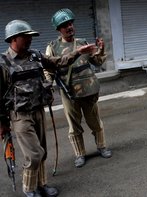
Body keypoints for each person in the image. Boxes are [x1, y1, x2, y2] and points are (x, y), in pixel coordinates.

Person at [0, 20, 96, 197]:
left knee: (42, 152)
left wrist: (78, 52)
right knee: (34, 154)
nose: (30, 40)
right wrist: (2, 124)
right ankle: (29, 189)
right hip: (20, 116)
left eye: (30, 37)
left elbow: (59, 62)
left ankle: (41, 185)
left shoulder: (35, 55)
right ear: (13, 39)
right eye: (26, 37)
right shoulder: (3, 63)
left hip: (38, 111)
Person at [44, 8, 112, 168]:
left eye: (70, 23)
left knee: (95, 122)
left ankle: (102, 147)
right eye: (64, 25)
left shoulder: (83, 42)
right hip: (69, 93)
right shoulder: (52, 47)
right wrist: (48, 86)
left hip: (89, 90)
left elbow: (97, 62)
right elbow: (48, 69)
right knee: (74, 127)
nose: (69, 27)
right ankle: (80, 154)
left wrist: (101, 49)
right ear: (58, 29)